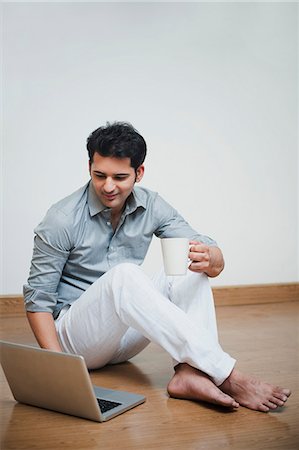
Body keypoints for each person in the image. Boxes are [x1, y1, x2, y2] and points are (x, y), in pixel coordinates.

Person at [24, 122, 291, 413]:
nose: (108, 186)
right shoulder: (61, 219)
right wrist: (61, 370)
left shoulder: (151, 204)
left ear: (139, 173)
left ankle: (191, 373)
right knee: (125, 275)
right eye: (99, 175)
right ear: (89, 166)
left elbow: (200, 244)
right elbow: (38, 300)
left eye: (120, 176)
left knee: (190, 264)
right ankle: (226, 374)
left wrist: (214, 258)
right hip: (76, 340)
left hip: (123, 337)